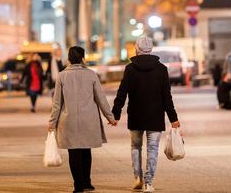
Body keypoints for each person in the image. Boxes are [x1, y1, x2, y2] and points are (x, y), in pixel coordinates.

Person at [112, 36, 180, 193]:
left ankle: (137, 177)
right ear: (151, 49)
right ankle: (148, 183)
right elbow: (166, 96)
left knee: (135, 146)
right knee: (152, 148)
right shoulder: (162, 69)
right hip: (155, 116)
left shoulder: (130, 69)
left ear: (137, 49)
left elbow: (122, 93)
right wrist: (173, 118)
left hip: (135, 115)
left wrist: (115, 114)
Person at [49, 46, 116, 193]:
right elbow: (101, 98)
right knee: (86, 151)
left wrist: (52, 122)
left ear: (69, 58)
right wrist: (110, 117)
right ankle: (87, 182)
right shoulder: (91, 75)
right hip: (89, 119)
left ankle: (78, 185)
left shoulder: (62, 76)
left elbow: (57, 103)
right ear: (82, 58)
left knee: (74, 153)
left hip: (68, 119)